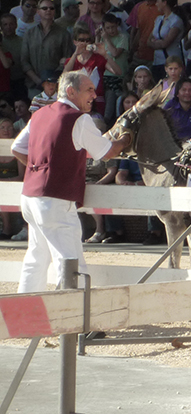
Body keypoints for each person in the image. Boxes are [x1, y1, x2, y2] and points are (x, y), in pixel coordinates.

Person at [12, 71, 131, 292]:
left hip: (31, 195)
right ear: (70, 91)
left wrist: (40, 169)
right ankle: (74, 318)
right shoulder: (78, 118)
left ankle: (25, 314)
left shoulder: (39, 114)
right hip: (55, 199)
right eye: (89, 90)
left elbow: (17, 148)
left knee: (37, 257)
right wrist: (126, 139)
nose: (94, 95)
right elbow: (107, 152)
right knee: (70, 260)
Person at [64, 24, 122, 117]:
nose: (85, 43)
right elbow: (64, 76)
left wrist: (105, 54)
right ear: (75, 42)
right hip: (77, 103)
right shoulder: (71, 61)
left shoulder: (98, 58)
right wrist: (76, 53)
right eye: (82, 40)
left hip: (96, 102)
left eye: (88, 40)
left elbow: (118, 72)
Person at [21, 0, 72, 97]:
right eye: (44, 8)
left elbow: (67, 59)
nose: (48, 10)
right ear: (38, 11)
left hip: (56, 85)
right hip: (34, 85)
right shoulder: (29, 34)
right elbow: (24, 61)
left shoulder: (63, 34)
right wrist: (37, 80)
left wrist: (51, 81)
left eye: (51, 8)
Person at [127, 0, 162, 67]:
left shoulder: (163, 8)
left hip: (157, 57)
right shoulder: (139, 7)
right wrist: (132, 51)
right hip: (140, 56)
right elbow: (137, 31)